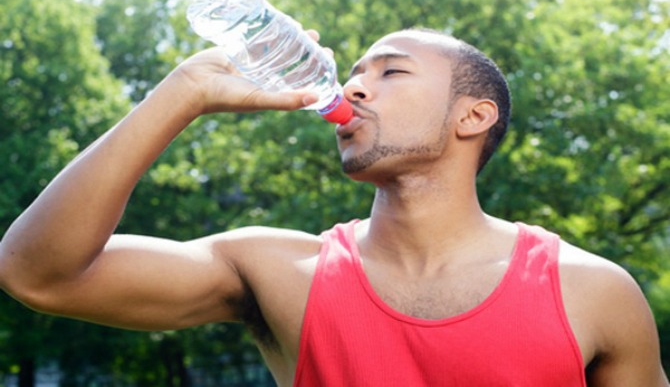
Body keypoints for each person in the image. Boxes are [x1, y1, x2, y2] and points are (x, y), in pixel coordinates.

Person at [0, 28, 667, 386]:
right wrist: (185, 90)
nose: (353, 86)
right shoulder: (280, 270)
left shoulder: (592, 291)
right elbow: (38, 272)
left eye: (390, 70)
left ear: (473, 115)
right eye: (354, 72)